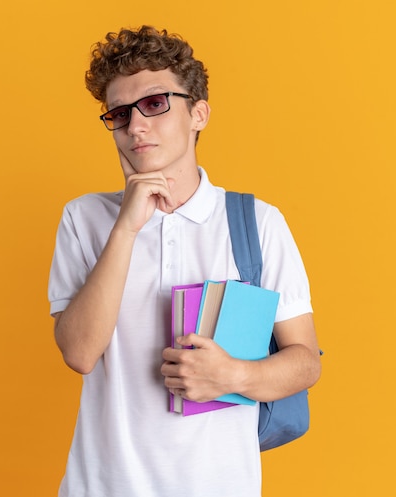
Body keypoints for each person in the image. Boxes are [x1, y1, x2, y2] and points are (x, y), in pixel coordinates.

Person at [48, 25, 321, 497]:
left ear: (199, 113)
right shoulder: (85, 218)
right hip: (102, 486)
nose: (135, 126)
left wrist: (234, 375)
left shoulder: (257, 221)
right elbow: (79, 353)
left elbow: (305, 362)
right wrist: (127, 228)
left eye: (154, 104)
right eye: (119, 113)